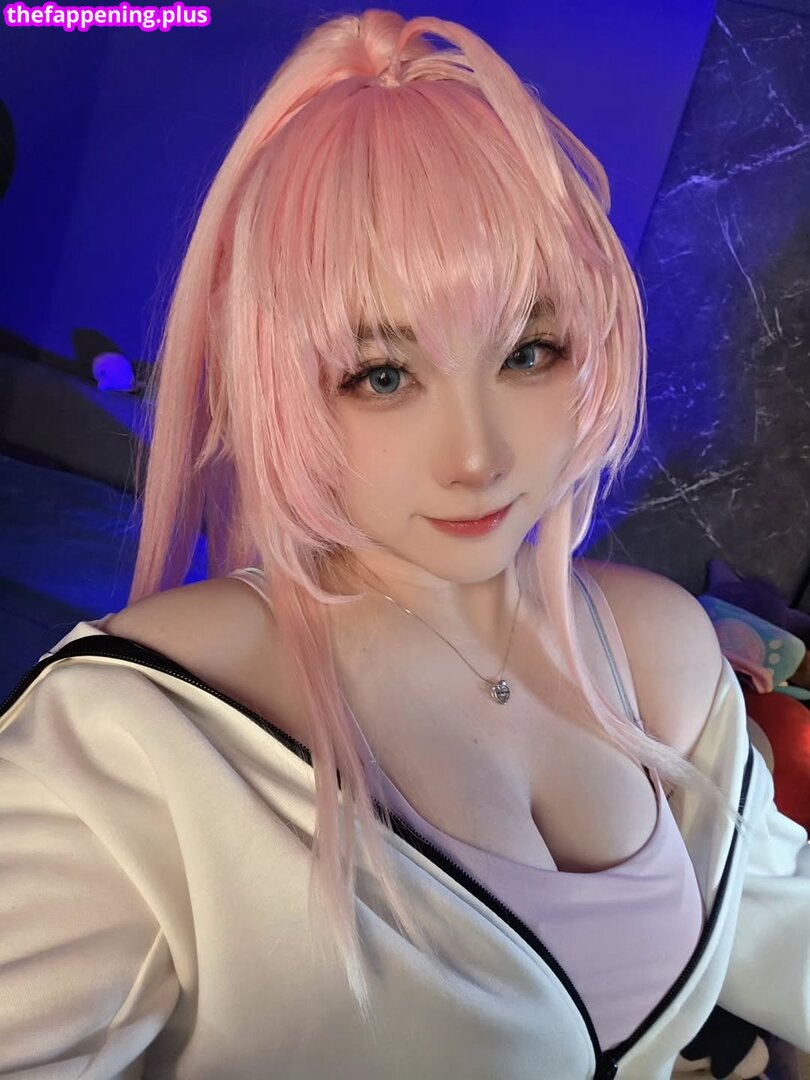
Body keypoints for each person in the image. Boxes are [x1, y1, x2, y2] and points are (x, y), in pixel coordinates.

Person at [1, 9, 808, 1079]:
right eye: (382, 376)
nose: (476, 455)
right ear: (280, 386)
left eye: (529, 351)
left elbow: (786, 935)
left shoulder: (658, 648)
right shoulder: (134, 737)